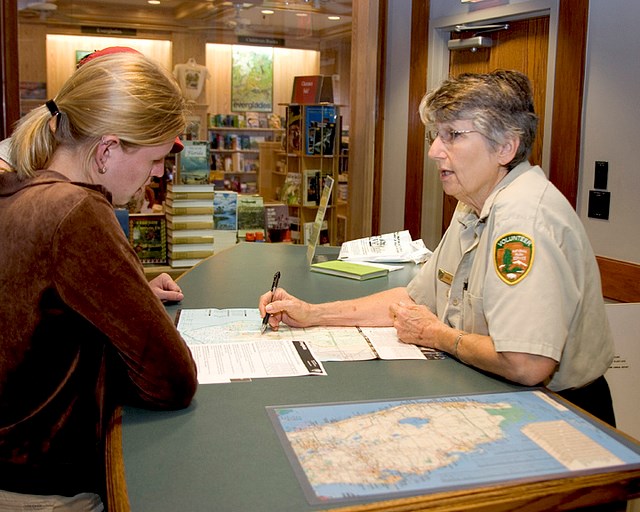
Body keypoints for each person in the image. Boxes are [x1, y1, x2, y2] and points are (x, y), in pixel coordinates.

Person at [259, 70, 616, 427]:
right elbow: (414, 303)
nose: (433, 151)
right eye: (436, 135)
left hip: (560, 415)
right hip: (497, 397)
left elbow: (526, 363)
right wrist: (313, 314)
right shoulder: (472, 202)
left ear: (505, 147)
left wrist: (437, 336)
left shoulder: (524, 220)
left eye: (453, 135)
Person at [0, 52, 198, 509]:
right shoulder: (78, 212)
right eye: (153, 160)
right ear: (107, 150)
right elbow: (171, 379)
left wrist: (124, 293)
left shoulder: (22, 189)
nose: (158, 175)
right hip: (48, 491)